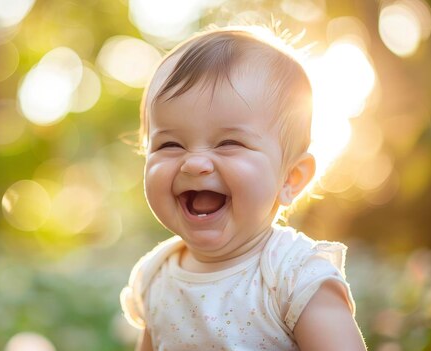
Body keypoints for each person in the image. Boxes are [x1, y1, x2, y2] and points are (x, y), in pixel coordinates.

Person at [120, 25, 367, 350]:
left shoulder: (292, 278)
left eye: (228, 143)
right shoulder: (156, 276)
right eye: (170, 144)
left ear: (291, 178)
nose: (194, 163)